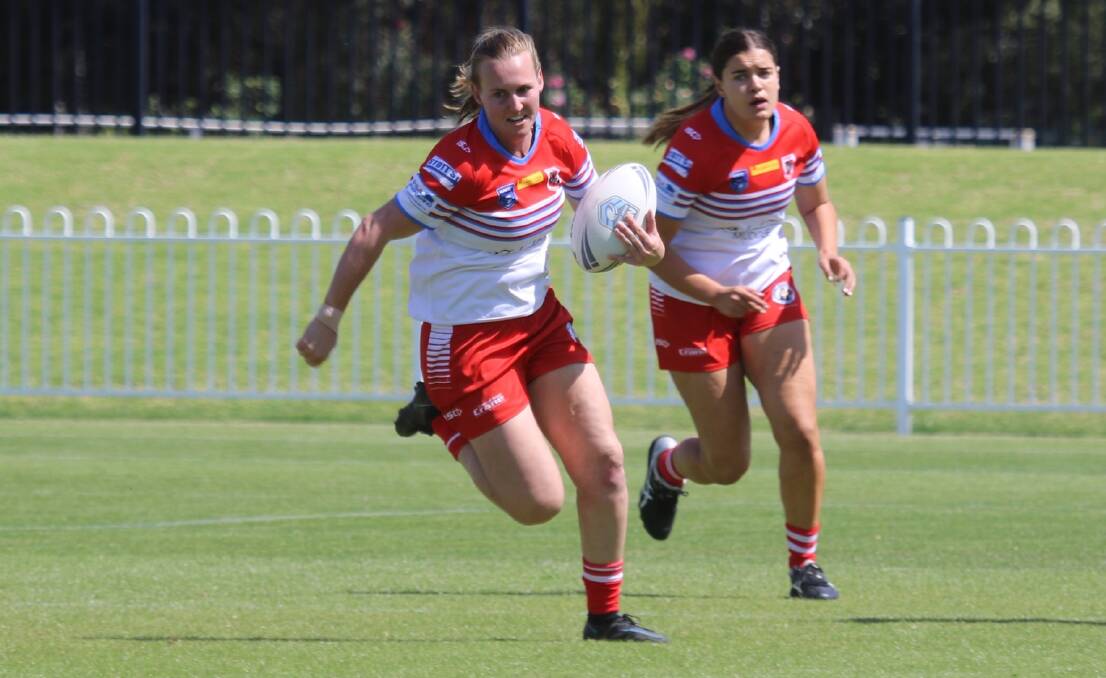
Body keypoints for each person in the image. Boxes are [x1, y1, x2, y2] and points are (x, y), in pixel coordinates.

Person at [297, 26, 669, 642]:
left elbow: (598, 227)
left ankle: (604, 617)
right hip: (465, 342)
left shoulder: (559, 139)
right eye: (499, 94)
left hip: (539, 322)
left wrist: (645, 252)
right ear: (477, 92)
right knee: (538, 503)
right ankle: (439, 416)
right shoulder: (457, 163)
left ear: (542, 82)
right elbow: (372, 229)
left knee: (605, 464)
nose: (516, 105)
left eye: (524, 90)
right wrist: (327, 317)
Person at [636, 27, 856, 600]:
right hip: (691, 302)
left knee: (802, 432)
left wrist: (829, 250)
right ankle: (669, 466)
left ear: (778, 76)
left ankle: (803, 566)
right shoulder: (696, 147)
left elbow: (818, 201)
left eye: (764, 72)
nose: (754, 84)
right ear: (719, 84)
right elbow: (651, 250)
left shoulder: (796, 129)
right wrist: (713, 293)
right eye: (740, 75)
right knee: (728, 463)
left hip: (769, 293)